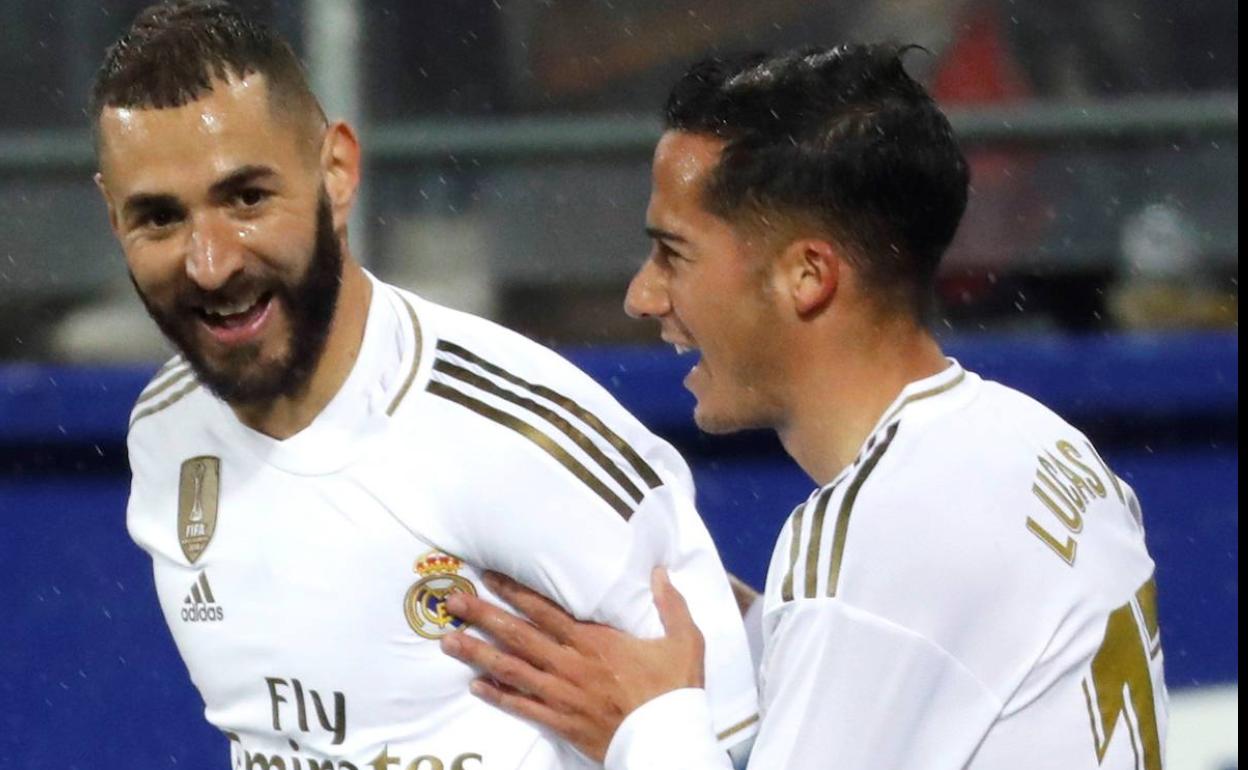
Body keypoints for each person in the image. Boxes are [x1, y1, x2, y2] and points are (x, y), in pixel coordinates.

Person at [440, 45, 1169, 769]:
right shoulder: (1042, 443)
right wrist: (728, 622)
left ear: (807, 275)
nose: (643, 296)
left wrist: (642, 727)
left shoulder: (877, 539)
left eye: (674, 254)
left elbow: (880, 612)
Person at [93, 2, 759, 768]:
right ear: (113, 218)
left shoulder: (527, 436)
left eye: (246, 199)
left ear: (337, 172)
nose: (209, 263)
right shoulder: (164, 433)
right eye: (158, 219)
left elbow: (745, 746)